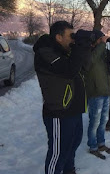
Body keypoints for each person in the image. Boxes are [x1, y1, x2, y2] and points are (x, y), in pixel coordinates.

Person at [33, 21, 91, 174]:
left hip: (74, 109)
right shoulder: (45, 52)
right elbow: (69, 70)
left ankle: (69, 170)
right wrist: (78, 47)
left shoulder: (65, 51)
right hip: (59, 111)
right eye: (71, 36)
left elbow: (85, 66)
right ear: (58, 37)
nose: (73, 39)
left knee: (72, 144)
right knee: (58, 152)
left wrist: (84, 46)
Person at [83, 30, 110, 159]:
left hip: (106, 91)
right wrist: (102, 44)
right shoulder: (87, 52)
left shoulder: (103, 52)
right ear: (95, 40)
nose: (104, 40)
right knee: (94, 122)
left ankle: (101, 144)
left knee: (103, 121)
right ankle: (93, 146)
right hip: (95, 92)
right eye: (101, 38)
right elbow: (91, 61)